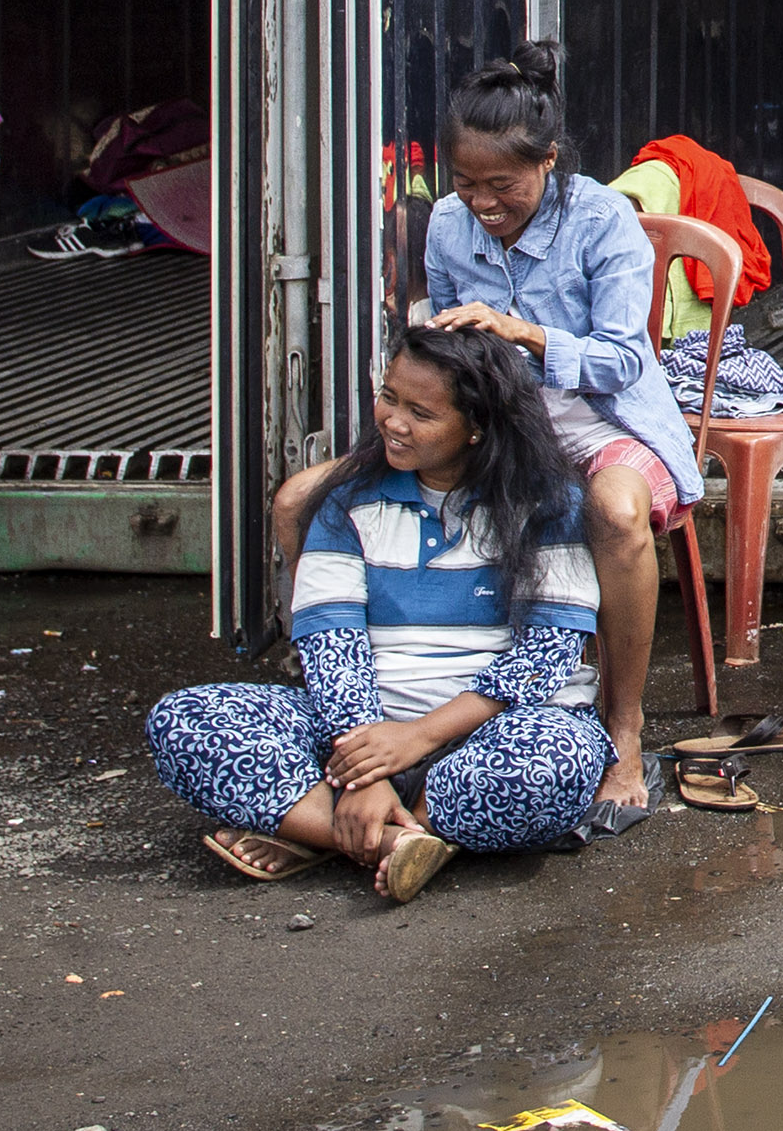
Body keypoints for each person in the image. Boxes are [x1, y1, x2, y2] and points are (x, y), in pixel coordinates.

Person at [267, 44, 696, 824]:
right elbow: (446, 353)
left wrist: (523, 333)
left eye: (503, 185)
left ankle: (623, 730)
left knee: (617, 513)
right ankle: (362, 704)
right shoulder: (449, 224)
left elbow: (626, 359)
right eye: (466, 184)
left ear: (550, 161)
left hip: (600, 415)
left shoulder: (604, 220)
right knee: (299, 499)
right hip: (492, 420)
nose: (483, 203)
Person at [153, 323, 609, 900]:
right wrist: (366, 767)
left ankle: (323, 829)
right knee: (184, 719)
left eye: (421, 412)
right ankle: (399, 840)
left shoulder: (548, 502)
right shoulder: (349, 499)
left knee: (552, 765)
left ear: (478, 428)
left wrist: (416, 738)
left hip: (491, 729)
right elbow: (330, 645)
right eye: (388, 397)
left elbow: (545, 658)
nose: (393, 421)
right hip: (360, 730)